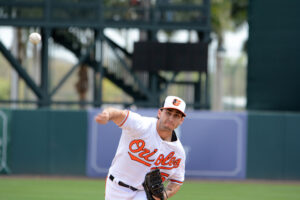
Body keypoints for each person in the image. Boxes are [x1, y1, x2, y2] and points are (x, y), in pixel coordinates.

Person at [95, 96, 186, 200]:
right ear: (160, 113)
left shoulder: (178, 152)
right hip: (116, 187)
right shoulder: (141, 124)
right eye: (168, 113)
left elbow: (177, 181)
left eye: (176, 116)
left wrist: (163, 196)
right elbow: (119, 114)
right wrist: (108, 114)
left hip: (143, 195)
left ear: (181, 120)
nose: (171, 118)